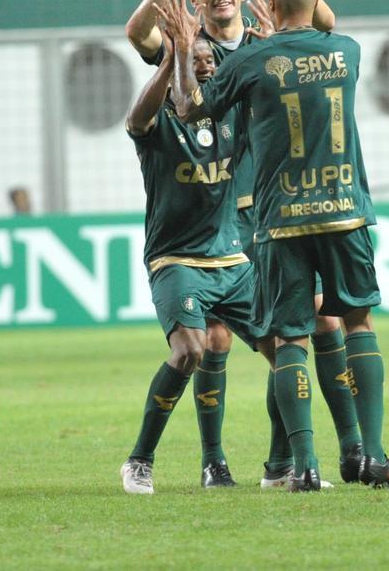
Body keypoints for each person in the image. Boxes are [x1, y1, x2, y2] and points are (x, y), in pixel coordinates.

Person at [125, 0, 365, 490]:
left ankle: (297, 463)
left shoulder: (262, 49)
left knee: (304, 333)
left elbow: (324, 26)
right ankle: (213, 461)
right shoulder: (185, 48)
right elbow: (140, 39)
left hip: (260, 221)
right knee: (211, 345)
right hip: (201, 233)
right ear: (195, 1)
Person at [119, 32, 261, 495]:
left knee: (290, 347)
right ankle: (139, 460)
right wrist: (171, 58)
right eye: (192, 60)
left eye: (207, 60)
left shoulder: (229, 116)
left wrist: (267, 46)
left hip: (231, 258)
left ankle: (289, 464)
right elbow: (134, 118)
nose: (203, 66)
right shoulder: (157, 121)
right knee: (190, 351)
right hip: (176, 261)